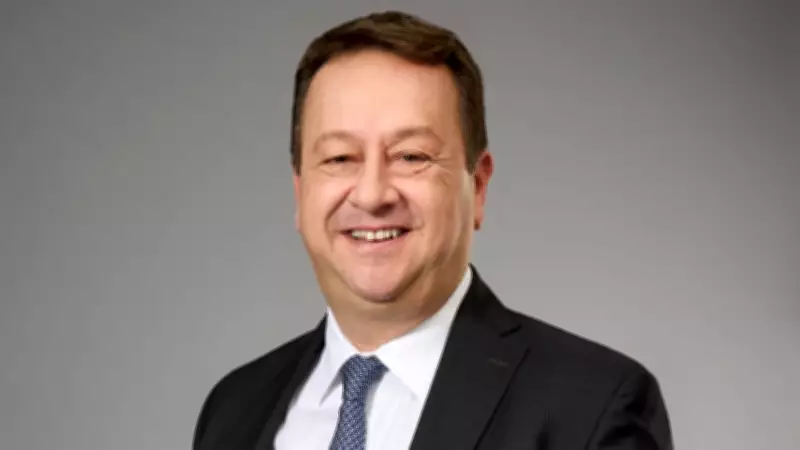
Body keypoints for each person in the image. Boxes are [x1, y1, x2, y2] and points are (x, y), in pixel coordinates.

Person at [192, 10, 673, 450]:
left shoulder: (593, 406)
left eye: (411, 156)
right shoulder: (234, 409)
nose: (372, 194)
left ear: (477, 186)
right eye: (339, 158)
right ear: (300, 192)